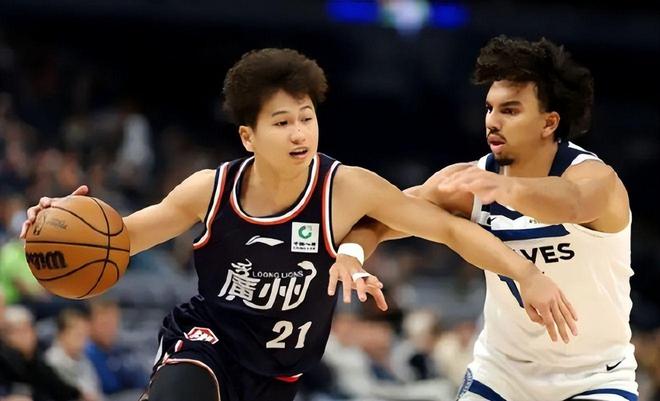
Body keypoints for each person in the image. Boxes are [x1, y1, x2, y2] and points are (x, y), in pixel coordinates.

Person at [20, 48, 575, 401]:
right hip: (210, 344)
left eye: (306, 118)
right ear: (248, 136)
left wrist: (525, 273)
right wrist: (54, 236)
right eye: (282, 122)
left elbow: (448, 229)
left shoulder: (346, 187)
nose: (299, 133)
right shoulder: (209, 189)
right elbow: (121, 240)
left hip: (281, 374)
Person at [335, 36, 638, 400]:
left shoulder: (597, 179)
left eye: (510, 111)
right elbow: (385, 215)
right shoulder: (468, 182)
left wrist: (508, 188)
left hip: (595, 376)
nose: (493, 121)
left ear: (548, 123)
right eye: (489, 108)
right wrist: (351, 253)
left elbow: (572, 203)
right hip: (501, 374)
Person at [45, 309, 103, 401]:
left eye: (85, 335)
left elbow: (95, 392)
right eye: (78, 334)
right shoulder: (51, 363)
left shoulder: (84, 358)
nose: (84, 341)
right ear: (62, 334)